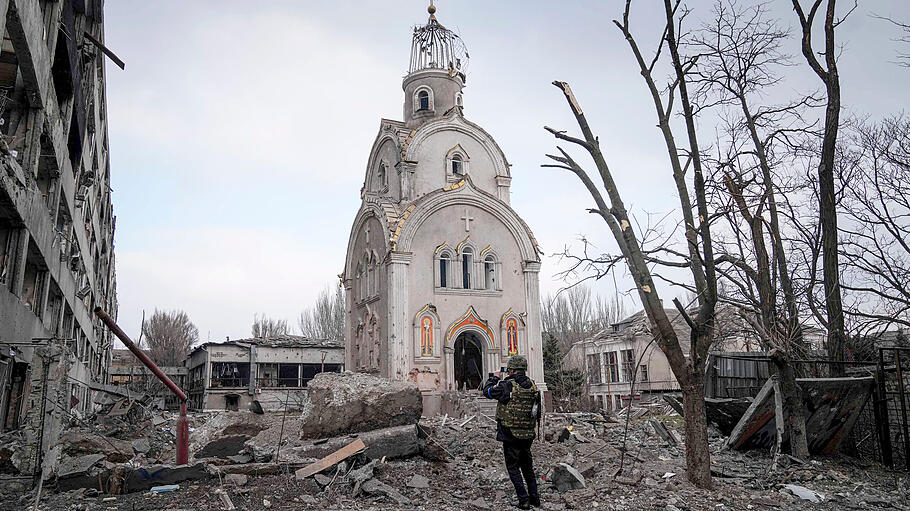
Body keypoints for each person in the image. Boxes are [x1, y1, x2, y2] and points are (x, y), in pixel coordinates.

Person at [483, 355, 541, 509]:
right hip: (528, 432)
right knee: (527, 466)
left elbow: (487, 392)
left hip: (510, 432)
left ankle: (524, 500)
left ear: (512, 370)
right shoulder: (532, 385)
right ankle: (534, 497)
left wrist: (494, 378)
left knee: (513, 466)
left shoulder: (507, 385)